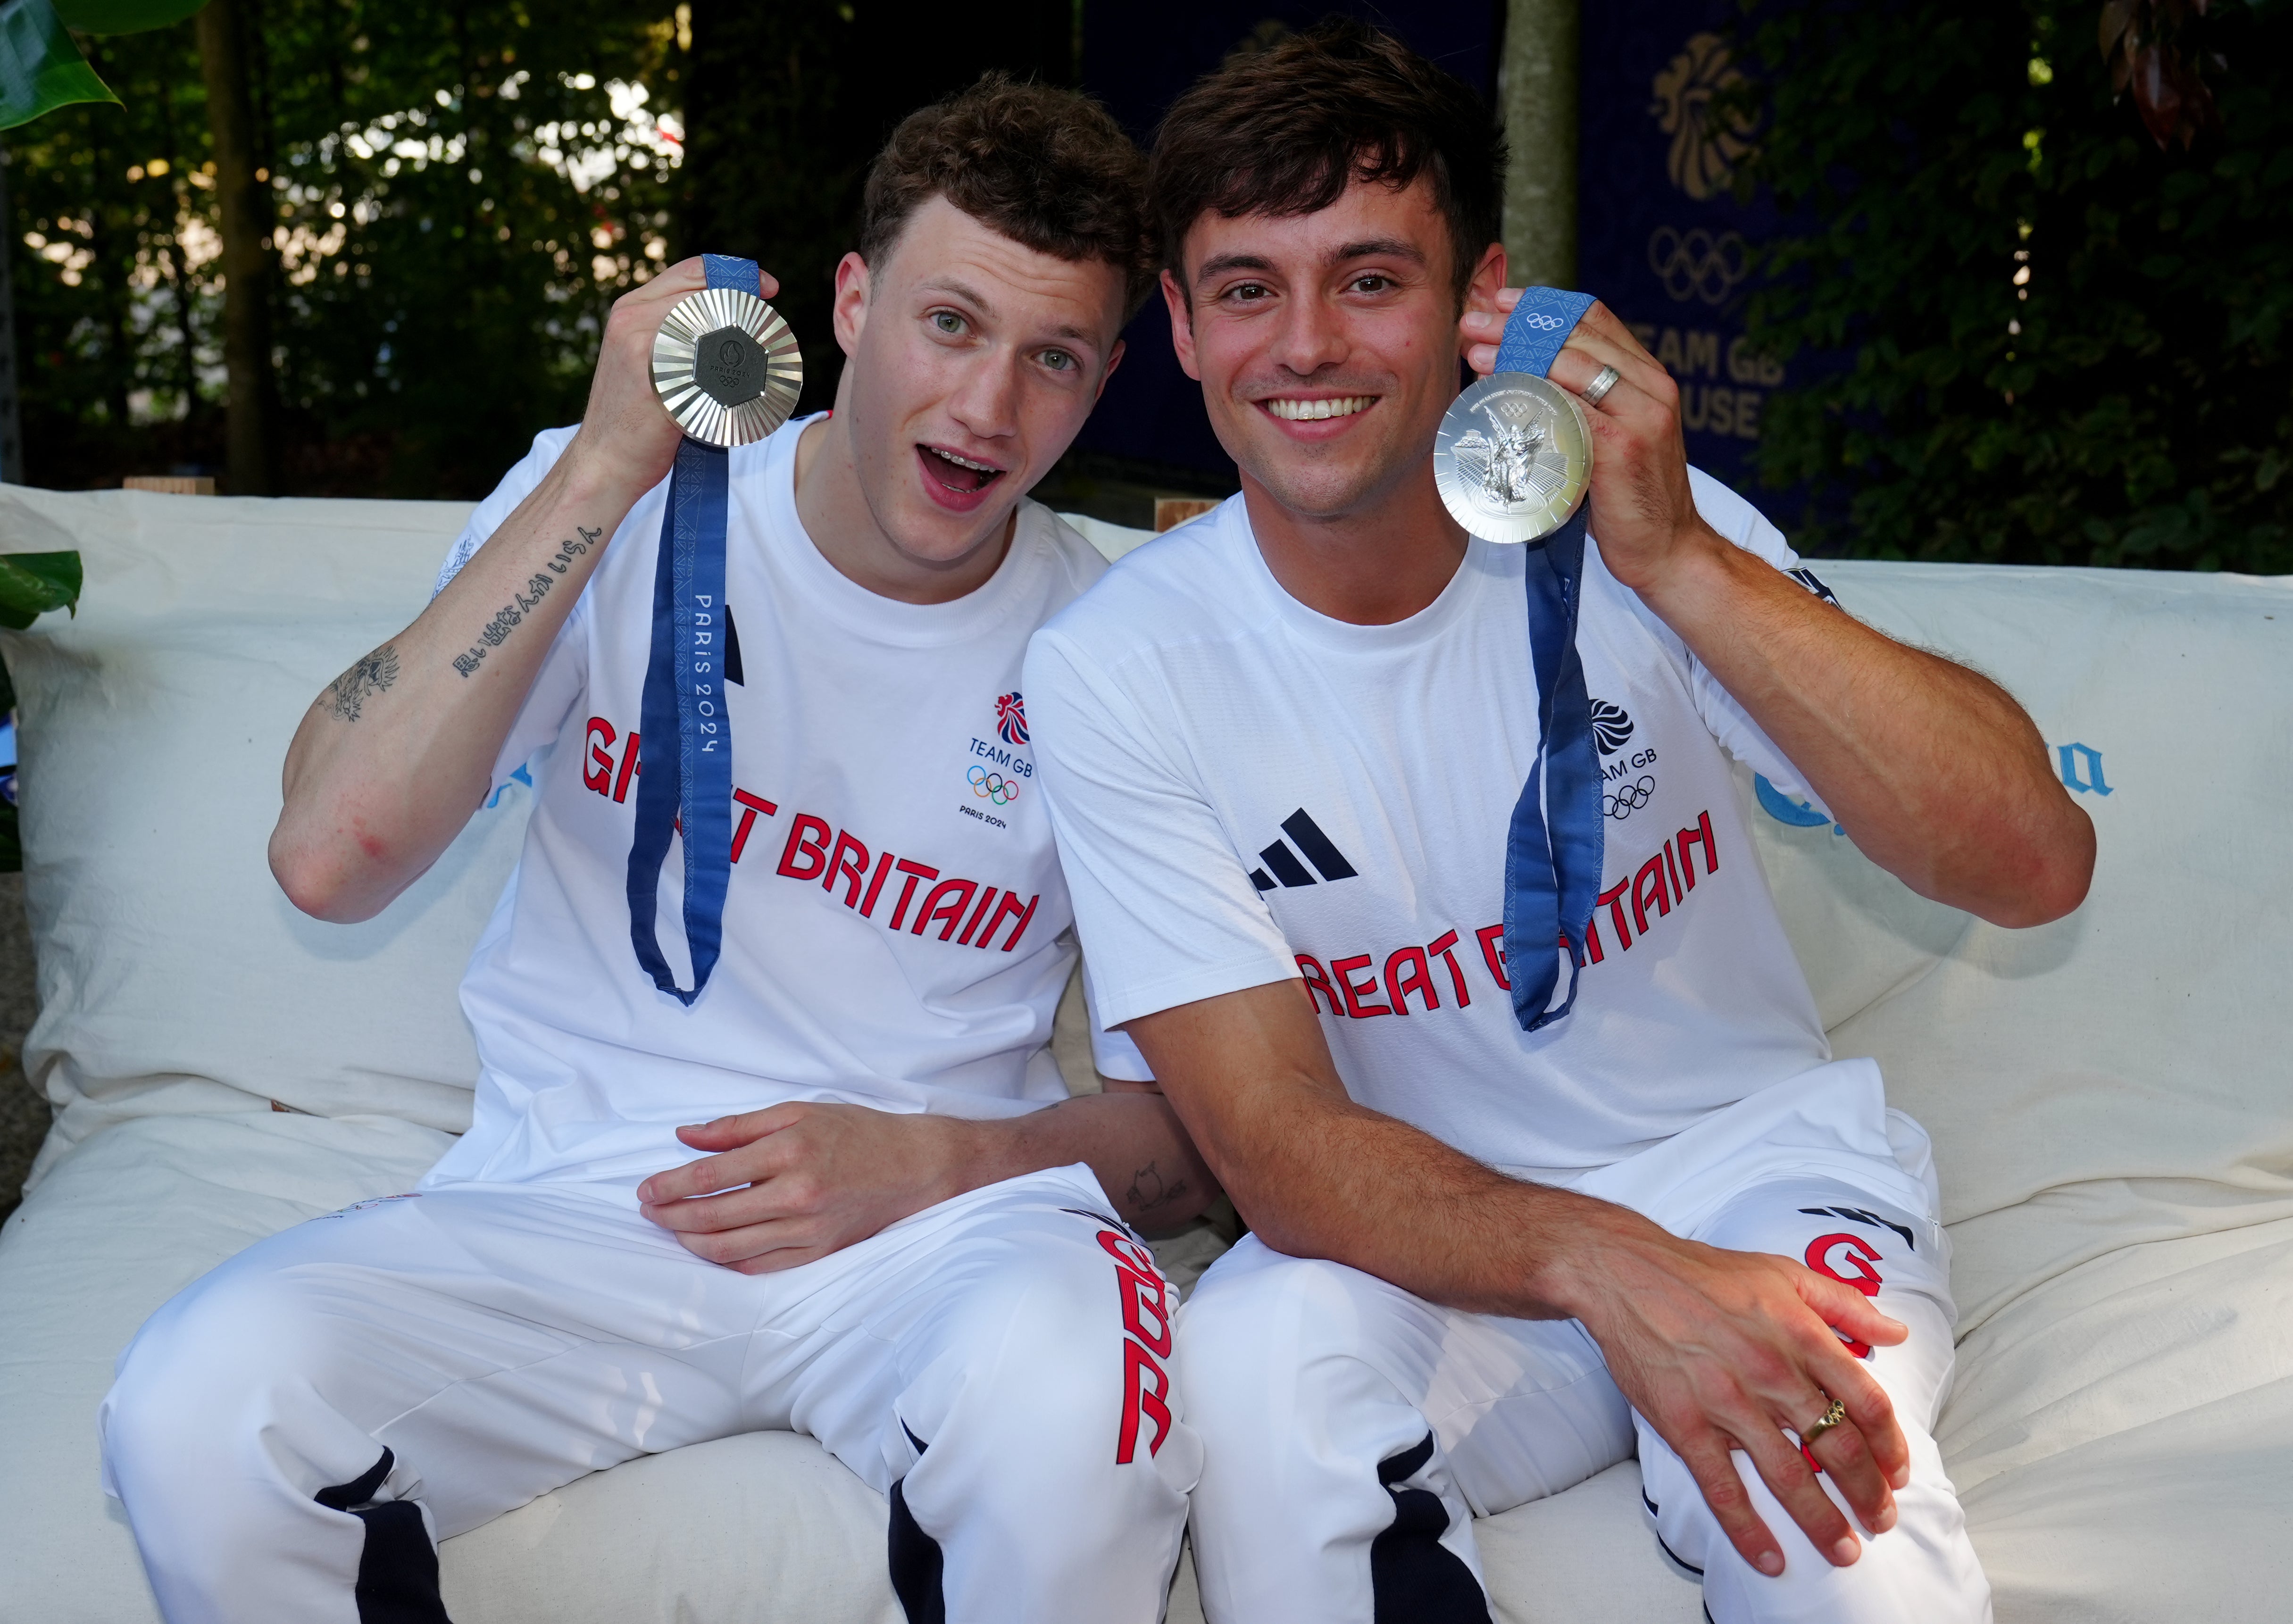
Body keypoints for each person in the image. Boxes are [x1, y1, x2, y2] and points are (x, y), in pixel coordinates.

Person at [100, 75, 1212, 1624]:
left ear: (1101, 386)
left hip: (946, 1241)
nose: (985, 409)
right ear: (851, 300)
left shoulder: (1119, 648)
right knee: (197, 1404)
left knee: (1090, 1422)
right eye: (950, 325)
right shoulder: (615, 499)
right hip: (577, 1211)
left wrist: (932, 1161)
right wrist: (610, 465)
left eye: (1054, 360)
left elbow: (1198, 1138)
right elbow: (328, 858)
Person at [1025, 24, 2093, 1624]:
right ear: (1179, 325)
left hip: (1758, 1185)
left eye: (1370, 278)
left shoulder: (1648, 526)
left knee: (1822, 1510)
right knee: (1249, 1372)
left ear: (1484, 304)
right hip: (1433, 1246)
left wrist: (1679, 567)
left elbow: (2031, 863)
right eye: (1249, 287)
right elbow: (1279, 1151)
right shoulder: (1118, 668)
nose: (1306, 343)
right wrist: (1610, 1265)